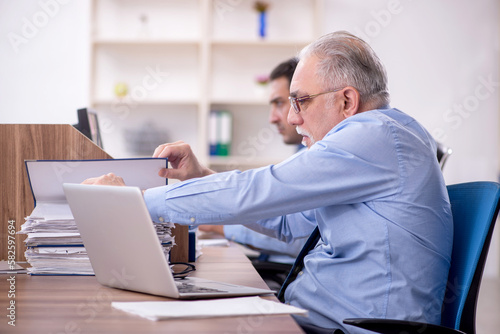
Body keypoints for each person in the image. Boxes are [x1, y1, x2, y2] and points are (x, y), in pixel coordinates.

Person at [84, 31, 453, 333]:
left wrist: (132, 201)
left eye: (301, 101)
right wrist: (200, 177)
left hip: (351, 328)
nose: (292, 118)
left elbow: (262, 188)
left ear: (346, 101)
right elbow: (288, 222)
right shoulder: (380, 140)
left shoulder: (375, 135)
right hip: (318, 318)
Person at [199, 58, 313, 287]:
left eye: (280, 103)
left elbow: (298, 235)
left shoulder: (315, 159)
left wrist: (219, 225)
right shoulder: (302, 155)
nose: (273, 117)